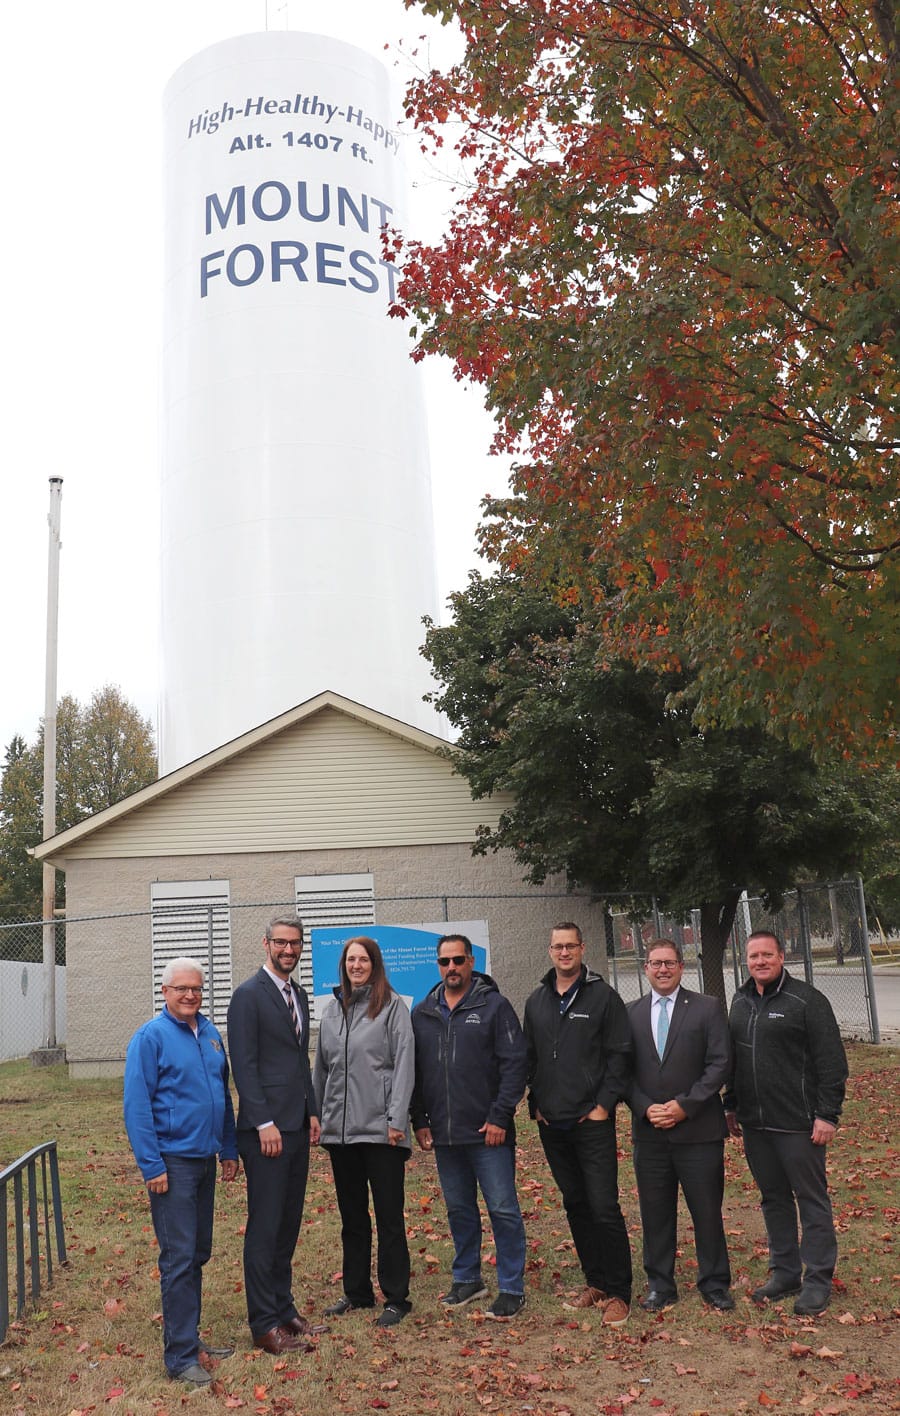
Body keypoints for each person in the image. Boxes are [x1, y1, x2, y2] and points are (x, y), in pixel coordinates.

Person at [123, 958, 239, 1388]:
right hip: (171, 1164)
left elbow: (222, 1096)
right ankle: (180, 1358)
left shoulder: (209, 1035)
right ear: (165, 991)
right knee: (178, 1257)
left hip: (205, 1159)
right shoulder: (150, 1038)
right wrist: (152, 1165)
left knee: (197, 1253)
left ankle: (189, 1337)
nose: (190, 995)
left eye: (196, 988)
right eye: (181, 989)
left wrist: (228, 1147)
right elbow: (136, 1107)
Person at [725, 929, 848, 1317]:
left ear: (781, 957)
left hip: (798, 1124)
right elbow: (736, 1060)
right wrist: (731, 1106)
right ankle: (785, 1272)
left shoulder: (807, 1001)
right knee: (773, 1199)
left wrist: (827, 1114)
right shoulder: (740, 1001)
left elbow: (832, 1063)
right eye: (753, 956)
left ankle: (817, 1280)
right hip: (756, 1124)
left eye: (767, 955)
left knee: (811, 1201)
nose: (759, 962)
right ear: (746, 960)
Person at [411, 933, 528, 1321]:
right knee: (459, 1210)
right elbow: (415, 1073)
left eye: (458, 960)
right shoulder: (423, 1012)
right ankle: (467, 1278)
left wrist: (500, 1117)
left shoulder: (494, 1007)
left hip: (487, 1133)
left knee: (502, 1209)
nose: (451, 968)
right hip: (444, 1135)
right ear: (438, 965)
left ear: (472, 961)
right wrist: (420, 1120)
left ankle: (511, 1287)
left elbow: (515, 1065)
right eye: (444, 962)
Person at [523, 921, 633, 1326]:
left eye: (571, 946)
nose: (564, 953)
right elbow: (529, 1057)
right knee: (575, 1204)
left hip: (592, 1120)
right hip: (553, 1123)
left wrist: (605, 1104)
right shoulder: (537, 1000)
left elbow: (620, 1056)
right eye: (558, 947)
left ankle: (620, 1292)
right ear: (550, 951)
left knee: (603, 1206)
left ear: (582, 949)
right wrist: (535, 1102)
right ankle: (596, 1281)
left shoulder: (603, 997)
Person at [227, 913, 322, 1354]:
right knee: (265, 1227)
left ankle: (284, 1309)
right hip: (265, 1131)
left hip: (297, 1126)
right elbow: (244, 1065)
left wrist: (312, 1112)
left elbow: (299, 1060)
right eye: (281, 943)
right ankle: (264, 1324)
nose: (289, 950)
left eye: (295, 944)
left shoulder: (298, 994)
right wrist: (263, 1122)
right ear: (265, 943)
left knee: (288, 1223)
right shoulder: (249, 995)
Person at [626, 938, 734, 1312]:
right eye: (655, 963)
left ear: (680, 967)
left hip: (698, 1132)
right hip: (650, 1133)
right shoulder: (631, 1013)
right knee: (655, 1214)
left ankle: (715, 1283)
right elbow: (622, 1072)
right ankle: (660, 1284)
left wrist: (685, 1106)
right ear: (646, 968)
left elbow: (720, 1063)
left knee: (706, 1211)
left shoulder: (707, 1008)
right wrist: (644, 1108)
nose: (662, 969)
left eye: (669, 963)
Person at [313, 935, 415, 1328]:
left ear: (375, 964)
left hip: (380, 1133)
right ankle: (357, 1292)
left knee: (389, 1216)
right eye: (350, 960)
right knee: (352, 1217)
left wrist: (396, 1120)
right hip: (341, 1134)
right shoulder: (332, 1010)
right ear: (344, 964)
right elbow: (322, 1068)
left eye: (363, 960)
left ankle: (397, 1296)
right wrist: (319, 1117)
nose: (356, 965)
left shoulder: (392, 1007)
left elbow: (405, 1064)